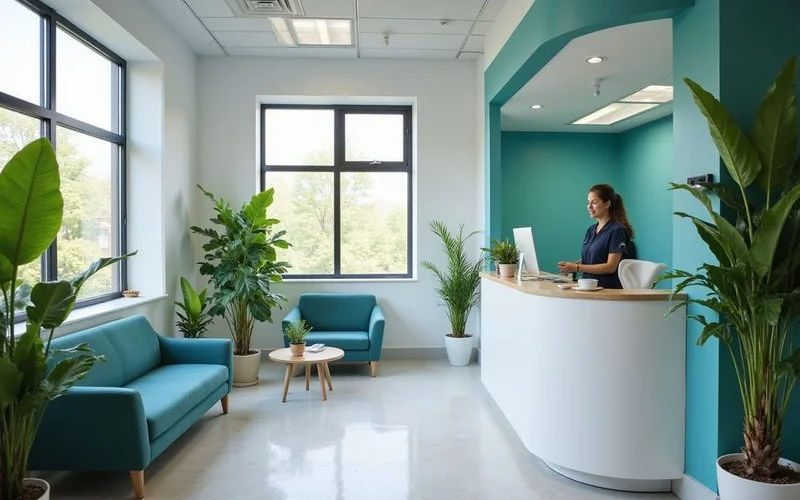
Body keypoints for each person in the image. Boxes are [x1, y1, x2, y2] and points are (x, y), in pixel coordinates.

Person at [557, 184, 635, 289]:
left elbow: (610, 267)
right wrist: (570, 266)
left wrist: (577, 267)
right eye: (588, 203)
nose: (589, 206)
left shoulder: (617, 230)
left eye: (594, 202)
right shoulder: (591, 230)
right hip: (587, 287)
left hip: (606, 290)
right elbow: (592, 257)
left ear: (607, 204)